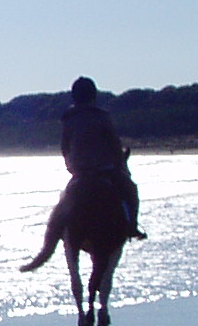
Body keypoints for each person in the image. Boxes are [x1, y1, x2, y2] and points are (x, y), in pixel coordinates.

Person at [26, 77, 144, 267]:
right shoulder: (101, 116)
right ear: (93, 96)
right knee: (131, 190)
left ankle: (55, 234)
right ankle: (132, 227)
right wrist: (118, 163)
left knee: (63, 203)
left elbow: (65, 147)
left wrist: (71, 166)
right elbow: (114, 144)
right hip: (103, 170)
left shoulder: (68, 119)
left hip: (79, 172)